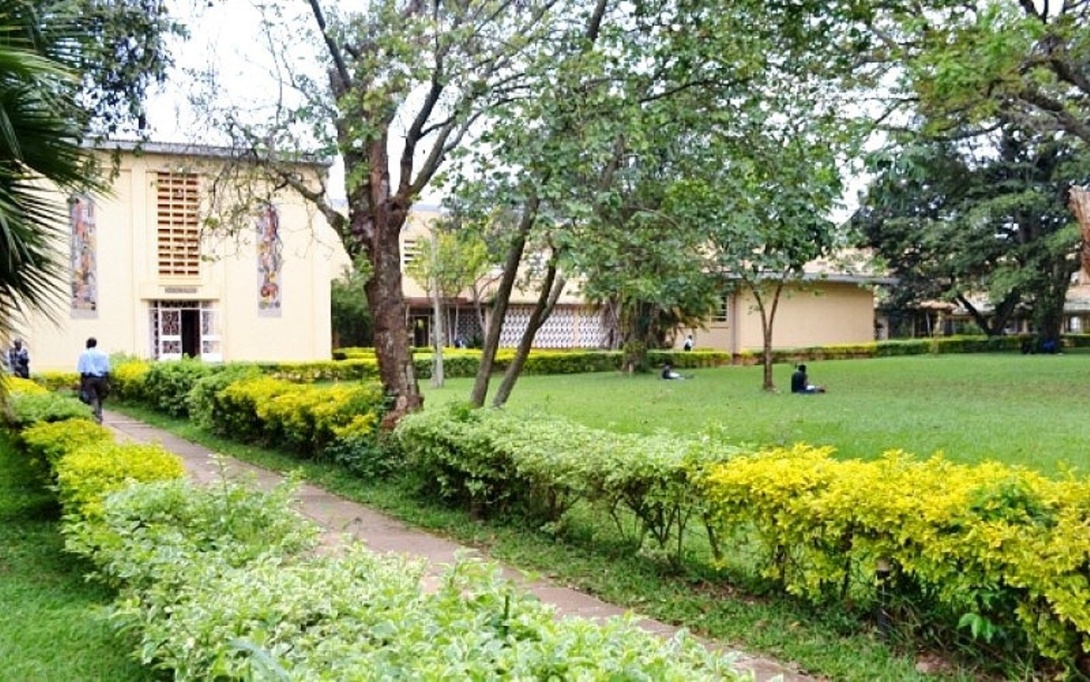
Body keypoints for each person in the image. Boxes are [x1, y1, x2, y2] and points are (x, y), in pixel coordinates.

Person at [77, 337, 111, 424]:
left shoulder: (84, 354)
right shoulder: (103, 354)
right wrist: (108, 382)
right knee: (99, 397)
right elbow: (107, 370)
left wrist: (82, 384)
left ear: (87, 344)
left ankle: (97, 416)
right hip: (101, 378)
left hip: (90, 379)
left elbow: (82, 371)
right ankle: (99, 413)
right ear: (95, 344)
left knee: (93, 398)